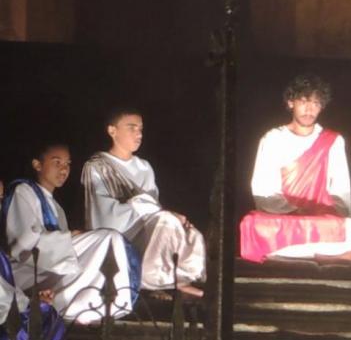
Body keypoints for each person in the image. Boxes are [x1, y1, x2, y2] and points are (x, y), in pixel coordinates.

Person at [239, 74, 351, 264]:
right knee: (252, 225)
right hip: (286, 219)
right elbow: (263, 188)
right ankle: (328, 257)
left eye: (316, 103)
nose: (309, 109)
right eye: (304, 102)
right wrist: (294, 211)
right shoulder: (273, 139)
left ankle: (298, 256)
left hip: (320, 218)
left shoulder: (333, 141)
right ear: (291, 103)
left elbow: (341, 188)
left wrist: (335, 217)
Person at [4, 143, 140, 323]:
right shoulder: (23, 191)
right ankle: (60, 304)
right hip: (27, 270)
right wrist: (70, 238)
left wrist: (70, 240)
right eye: (57, 163)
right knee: (108, 238)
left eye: (67, 164)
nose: (64, 169)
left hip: (53, 266)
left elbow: (64, 254)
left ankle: (84, 307)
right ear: (37, 165)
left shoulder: (57, 207)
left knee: (102, 250)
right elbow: (23, 241)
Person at [81, 109, 205, 298]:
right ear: (112, 131)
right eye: (132, 128)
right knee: (168, 220)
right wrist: (155, 210)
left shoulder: (144, 167)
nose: (138, 134)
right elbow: (104, 212)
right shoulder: (98, 166)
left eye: (141, 129)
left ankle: (175, 280)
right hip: (120, 228)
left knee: (186, 230)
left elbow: (153, 206)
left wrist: (165, 214)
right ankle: (148, 280)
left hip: (147, 225)